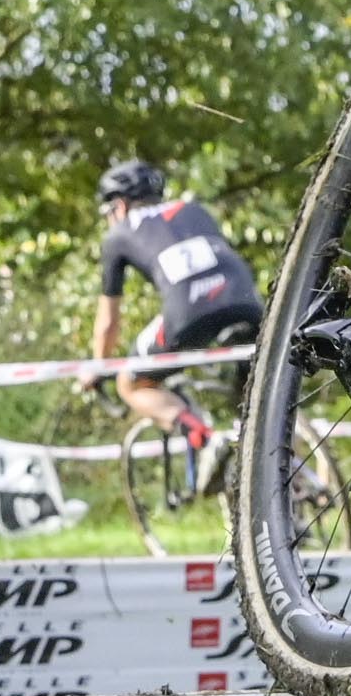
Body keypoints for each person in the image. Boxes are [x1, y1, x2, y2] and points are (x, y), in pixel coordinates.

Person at [89, 159, 263, 489]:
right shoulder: (193, 208)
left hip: (189, 311)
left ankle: (205, 438)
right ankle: (297, 474)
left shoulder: (117, 234)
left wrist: (99, 366)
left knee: (130, 381)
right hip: (246, 300)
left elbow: (108, 320)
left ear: (119, 204)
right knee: (262, 398)